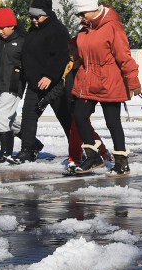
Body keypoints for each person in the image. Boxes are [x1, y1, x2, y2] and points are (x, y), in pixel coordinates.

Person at [70, 0, 141, 175]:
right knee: (79, 115)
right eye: (78, 14)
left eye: (82, 13)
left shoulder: (112, 27)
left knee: (113, 122)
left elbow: (124, 56)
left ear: (93, 9)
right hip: (88, 81)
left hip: (110, 82)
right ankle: (93, 157)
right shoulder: (85, 30)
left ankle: (121, 162)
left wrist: (132, 80)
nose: (80, 17)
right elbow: (81, 50)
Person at [36, 37, 111, 174]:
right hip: (73, 106)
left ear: (81, 51)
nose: (69, 53)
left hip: (83, 105)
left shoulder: (83, 68)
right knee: (88, 131)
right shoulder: (70, 67)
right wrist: (46, 99)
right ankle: (103, 152)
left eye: (73, 50)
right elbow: (61, 87)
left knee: (74, 133)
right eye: (68, 50)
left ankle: (75, 159)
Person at [13, 0, 69, 162]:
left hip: (53, 84)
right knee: (29, 115)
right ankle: (27, 150)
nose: (34, 20)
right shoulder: (33, 31)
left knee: (66, 118)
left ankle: (80, 150)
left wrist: (49, 76)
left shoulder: (57, 30)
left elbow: (61, 56)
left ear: (47, 14)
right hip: (34, 84)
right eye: (32, 17)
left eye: (38, 17)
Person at [0, 7, 27, 165]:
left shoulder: (23, 41)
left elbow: (29, 65)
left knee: (1, 116)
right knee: (10, 120)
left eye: (3, 27)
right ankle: (33, 143)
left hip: (14, 86)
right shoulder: (1, 41)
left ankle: (6, 153)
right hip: (1, 86)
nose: (0, 31)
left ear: (12, 25)